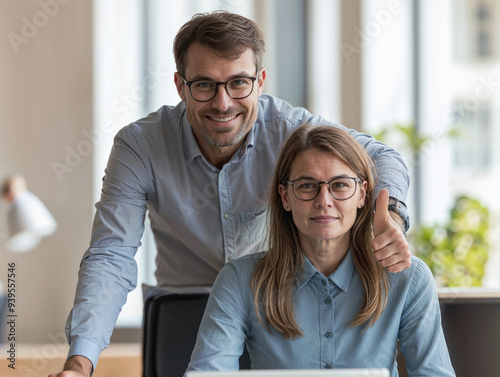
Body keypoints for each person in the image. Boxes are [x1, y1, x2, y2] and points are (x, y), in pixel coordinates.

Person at [49, 11, 412, 377]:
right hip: (184, 311)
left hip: (277, 310)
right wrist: (81, 362)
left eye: (238, 83)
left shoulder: (290, 130)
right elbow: (111, 254)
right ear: (180, 85)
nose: (223, 103)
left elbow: (382, 155)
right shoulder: (140, 145)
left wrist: (390, 217)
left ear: (260, 82)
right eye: (205, 85)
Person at [186, 124, 454, 376]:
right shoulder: (239, 280)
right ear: (285, 197)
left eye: (339, 185)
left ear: (362, 194)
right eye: (307, 186)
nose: (324, 201)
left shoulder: (408, 277)